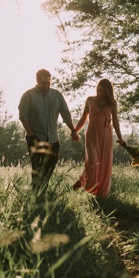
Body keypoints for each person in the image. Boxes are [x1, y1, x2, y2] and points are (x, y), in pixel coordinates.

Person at [18, 69, 80, 197]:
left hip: (53, 140)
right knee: (37, 169)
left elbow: (66, 114)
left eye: (49, 82)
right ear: (37, 80)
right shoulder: (28, 95)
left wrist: (73, 130)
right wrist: (31, 135)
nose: (47, 84)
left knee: (48, 169)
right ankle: (35, 195)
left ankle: (42, 192)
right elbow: (23, 117)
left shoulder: (57, 95)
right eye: (44, 82)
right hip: (35, 138)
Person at [72, 79, 126, 198]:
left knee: (103, 164)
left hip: (106, 135)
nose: (100, 93)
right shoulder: (90, 100)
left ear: (109, 91)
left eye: (103, 91)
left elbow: (115, 121)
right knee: (92, 162)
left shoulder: (112, 103)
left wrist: (121, 139)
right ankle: (89, 190)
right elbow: (83, 118)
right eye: (99, 90)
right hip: (92, 135)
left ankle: (99, 193)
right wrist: (75, 130)